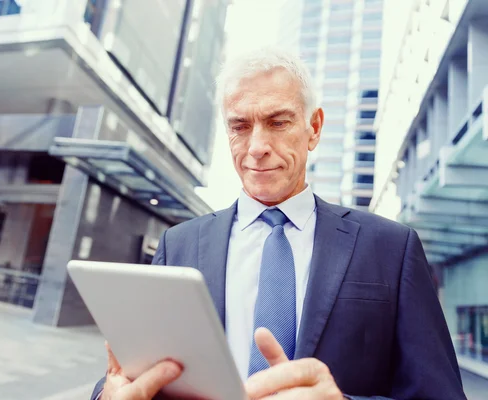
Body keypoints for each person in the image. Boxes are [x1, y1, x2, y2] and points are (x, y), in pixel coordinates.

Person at [91, 47, 466, 400]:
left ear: (314, 128)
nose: (256, 146)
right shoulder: (180, 244)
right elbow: (136, 373)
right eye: (240, 126)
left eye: (277, 122)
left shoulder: (390, 248)